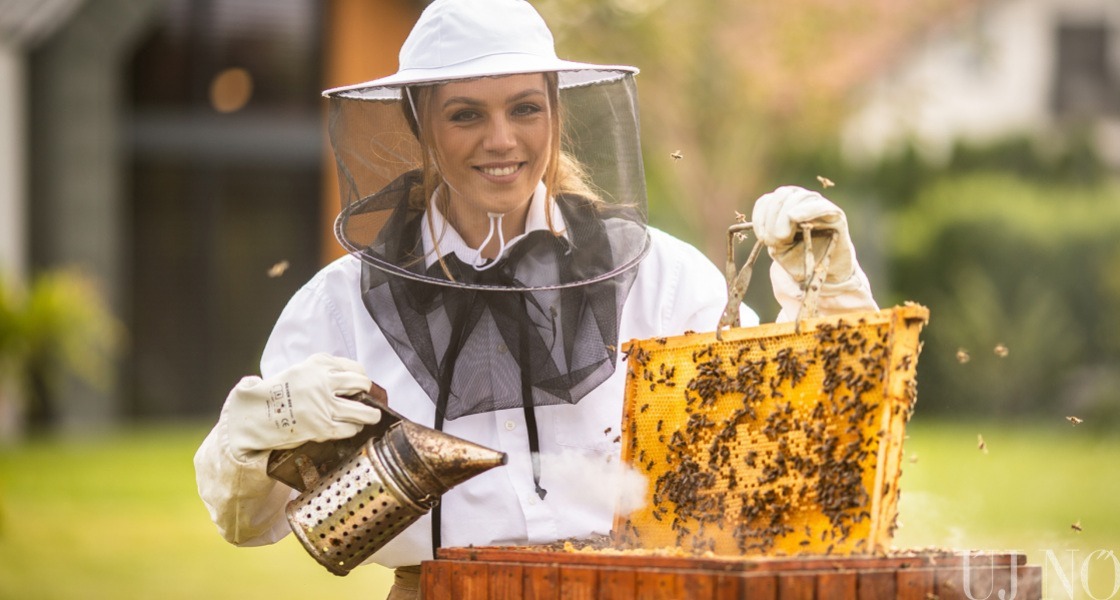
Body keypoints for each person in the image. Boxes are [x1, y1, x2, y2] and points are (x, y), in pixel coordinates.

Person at [193, 0, 878, 597]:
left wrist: (828, 297)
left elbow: (782, 441)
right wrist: (265, 422)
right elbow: (248, 522)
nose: (502, 140)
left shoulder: (660, 275)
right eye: (467, 114)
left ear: (555, 108)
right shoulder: (340, 303)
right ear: (421, 123)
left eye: (525, 107)